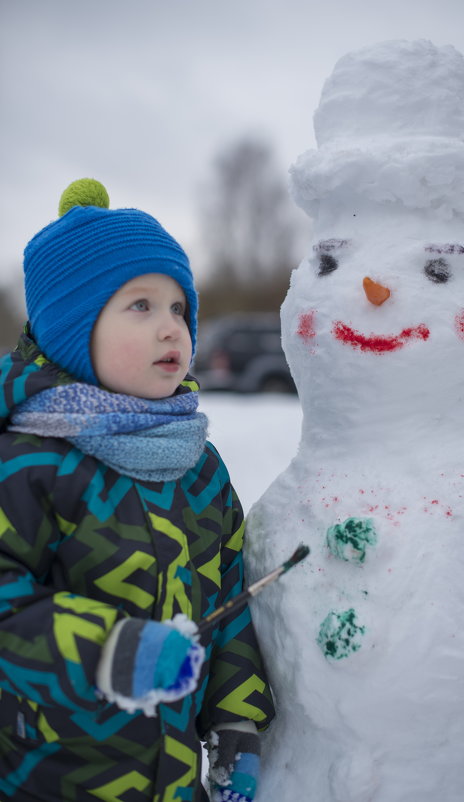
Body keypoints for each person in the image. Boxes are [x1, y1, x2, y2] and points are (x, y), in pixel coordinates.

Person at [0, 179, 275, 802]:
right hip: (52, 774)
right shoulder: (27, 461)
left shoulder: (199, 467)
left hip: (175, 777)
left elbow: (229, 596)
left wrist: (237, 716)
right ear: (74, 329)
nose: (171, 329)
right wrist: (105, 650)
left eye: (180, 309)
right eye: (141, 306)